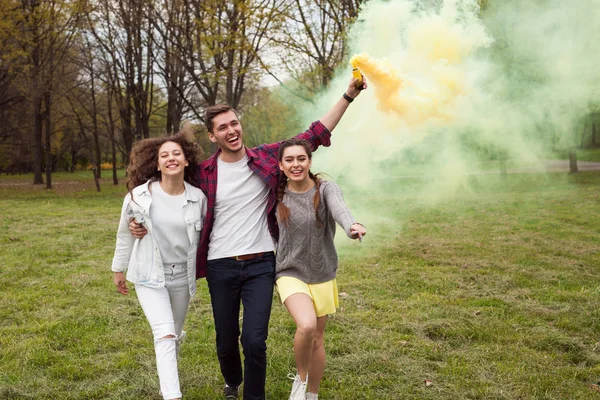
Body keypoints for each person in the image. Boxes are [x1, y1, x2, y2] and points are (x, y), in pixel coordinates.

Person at [131, 75, 367, 400]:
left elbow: (314, 135)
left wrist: (348, 95)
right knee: (226, 341)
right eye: (223, 128)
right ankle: (232, 380)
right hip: (220, 265)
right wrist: (138, 220)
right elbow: (165, 186)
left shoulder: (268, 158)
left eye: (234, 123)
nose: (232, 131)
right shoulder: (204, 173)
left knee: (255, 340)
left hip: (262, 263)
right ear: (213, 136)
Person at [112, 132, 207, 400]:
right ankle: (172, 395)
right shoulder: (138, 197)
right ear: (157, 164)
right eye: (164, 155)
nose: (171, 158)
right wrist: (118, 269)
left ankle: (170, 367)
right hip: (149, 275)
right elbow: (124, 233)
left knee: (173, 335)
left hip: (181, 277)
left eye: (176, 153)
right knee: (165, 334)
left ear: (186, 161)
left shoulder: (198, 198)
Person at [275, 139, 366, 400]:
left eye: (301, 159)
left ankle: (312, 395)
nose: (296, 165)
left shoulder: (325, 189)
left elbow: (340, 210)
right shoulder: (277, 193)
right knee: (306, 326)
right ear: (281, 165)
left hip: (322, 273)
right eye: (289, 160)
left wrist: (352, 226)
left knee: (316, 339)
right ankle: (301, 381)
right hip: (289, 271)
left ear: (310, 162)